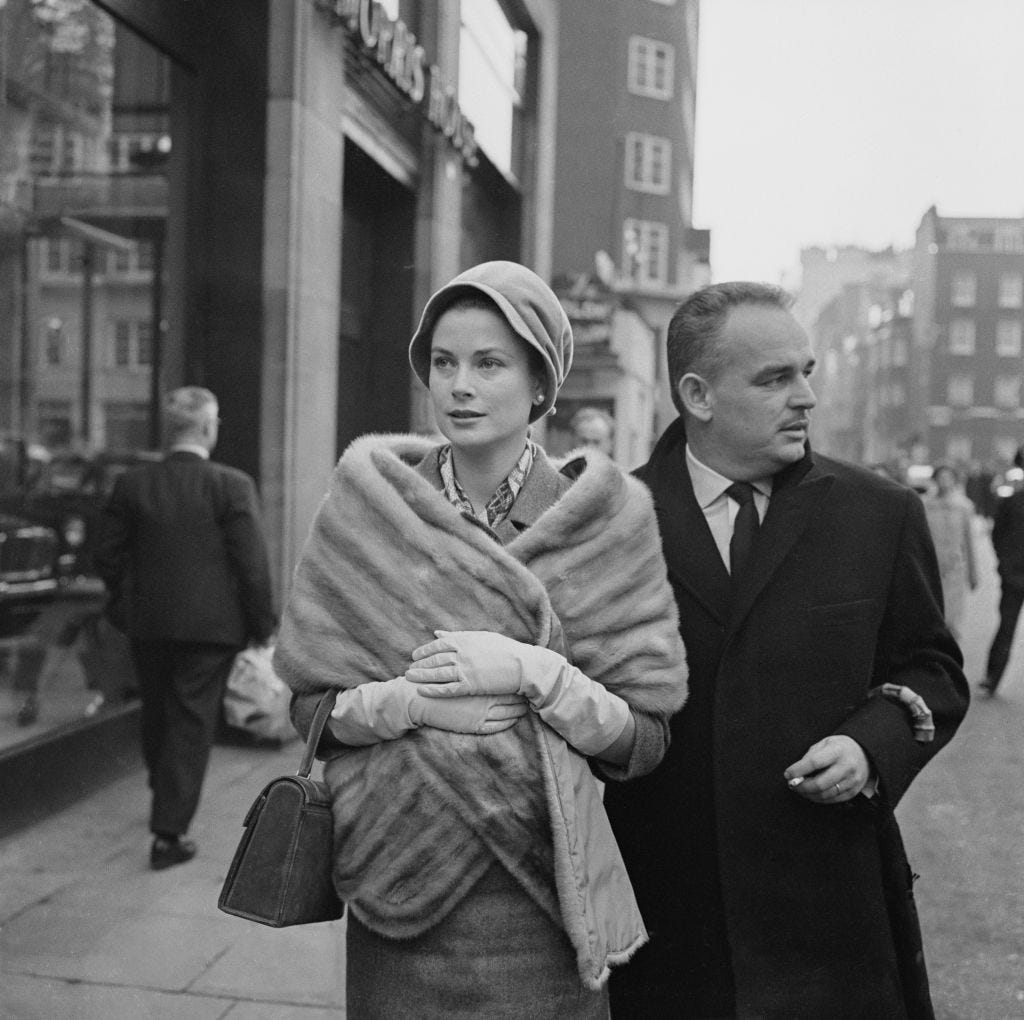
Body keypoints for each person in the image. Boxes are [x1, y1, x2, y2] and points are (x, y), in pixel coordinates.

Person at [274, 261, 688, 1018]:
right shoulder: (371, 511)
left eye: (489, 363)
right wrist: (407, 705)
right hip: (399, 888)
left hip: (546, 897)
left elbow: (646, 741)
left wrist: (542, 674)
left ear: (540, 384)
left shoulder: (604, 522)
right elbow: (309, 712)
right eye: (444, 363)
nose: (459, 386)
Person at [602, 282, 969, 1019]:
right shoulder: (613, 521)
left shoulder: (879, 514)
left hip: (831, 917)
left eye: (806, 372)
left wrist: (871, 746)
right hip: (669, 924)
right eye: (774, 379)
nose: (806, 397)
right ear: (698, 395)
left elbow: (933, 670)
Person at [95, 387, 277, 870]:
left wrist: (125, 606)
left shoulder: (132, 484)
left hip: (148, 624)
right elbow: (253, 566)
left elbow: (106, 555)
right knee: (190, 724)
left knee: (157, 714)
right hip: (211, 630)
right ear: (207, 428)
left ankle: (165, 793)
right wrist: (264, 625)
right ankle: (168, 834)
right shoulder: (232, 485)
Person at [980, 464, 1024, 697]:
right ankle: (992, 677)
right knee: (1006, 627)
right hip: (1014, 576)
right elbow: (997, 533)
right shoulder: (1013, 501)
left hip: (1013, 573)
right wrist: (1005, 564)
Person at [921, 463, 977, 641]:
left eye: (948, 477)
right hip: (930, 566)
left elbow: (969, 543)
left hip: (953, 568)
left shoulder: (964, 506)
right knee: (931, 609)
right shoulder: (924, 504)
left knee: (951, 614)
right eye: (940, 477)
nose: (944, 481)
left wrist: (973, 573)